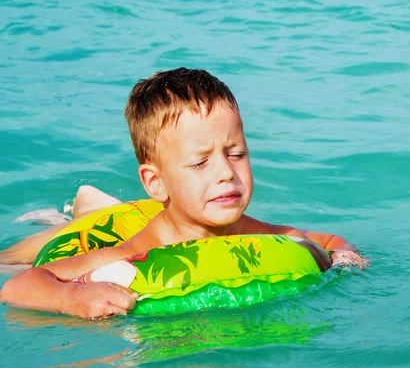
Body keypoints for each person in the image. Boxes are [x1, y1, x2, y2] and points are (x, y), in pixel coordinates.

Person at [0, 68, 368, 319]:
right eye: (200, 163)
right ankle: (61, 217)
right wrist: (70, 298)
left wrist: (346, 257)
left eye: (236, 153)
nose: (226, 173)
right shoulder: (132, 253)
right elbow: (19, 286)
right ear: (156, 182)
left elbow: (330, 239)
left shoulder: (263, 234)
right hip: (117, 230)